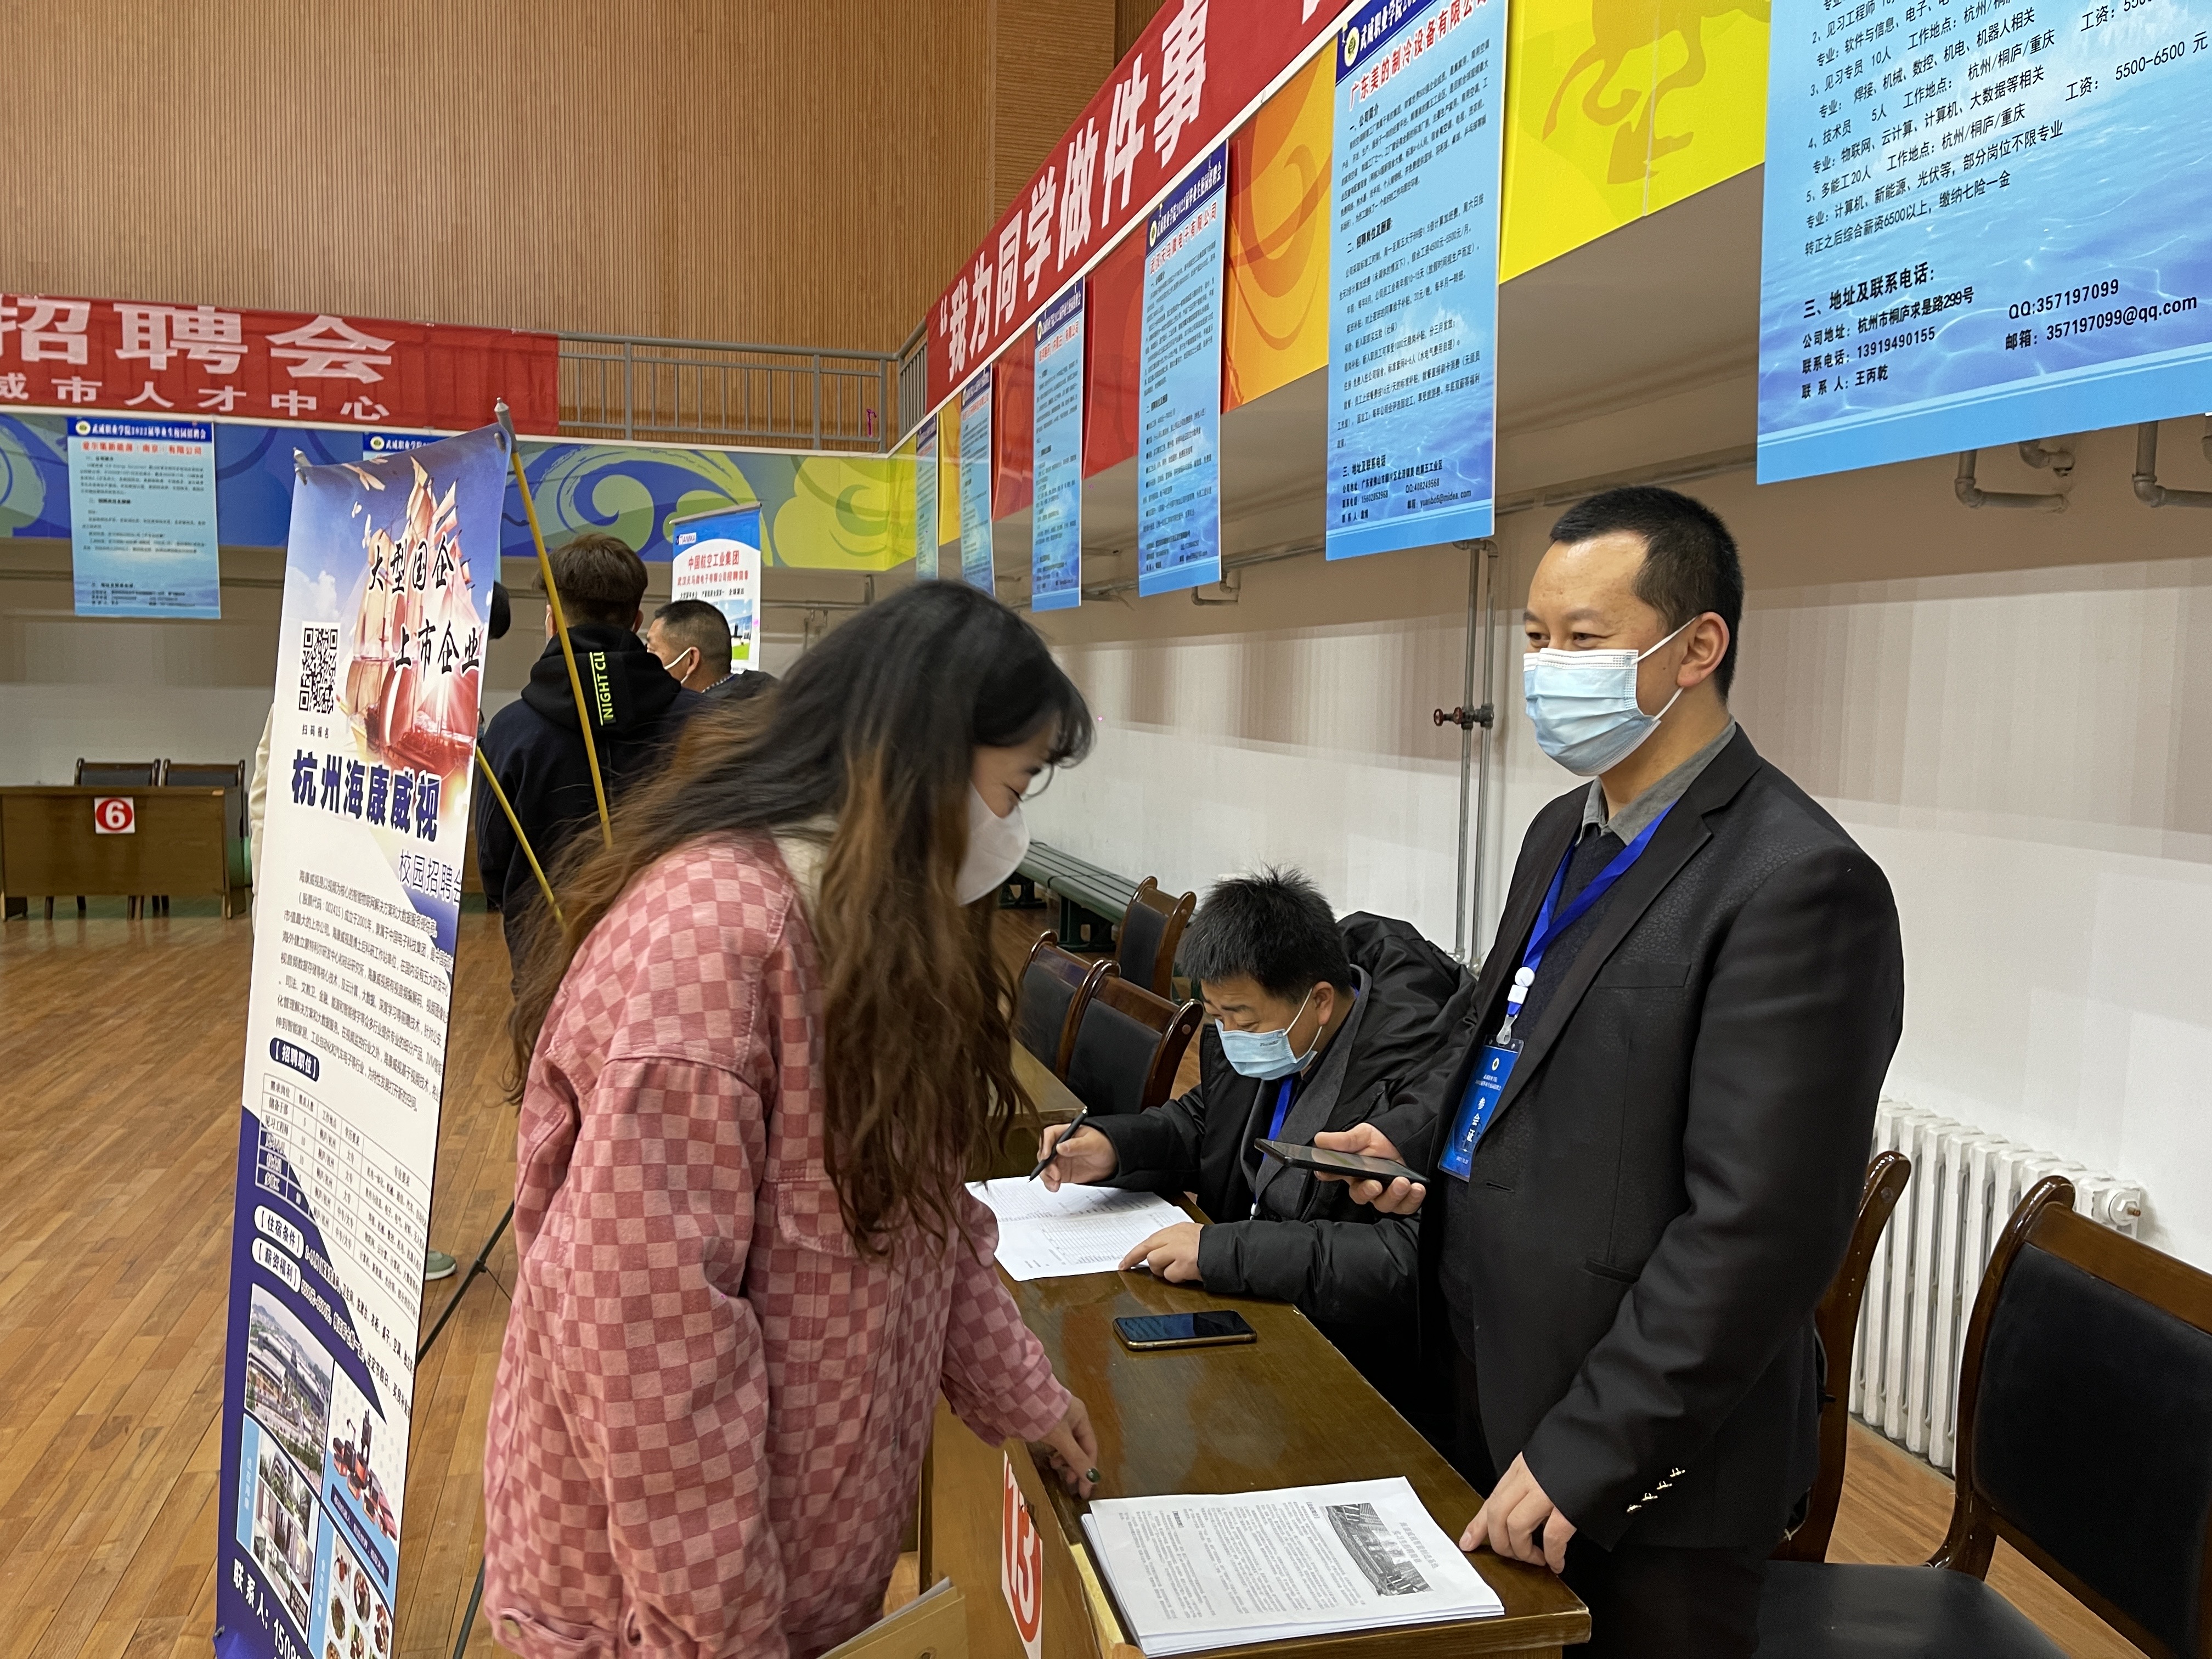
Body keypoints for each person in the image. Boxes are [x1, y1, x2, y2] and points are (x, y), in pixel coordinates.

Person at [1329, 487, 1904, 1657]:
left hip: (1644, 1456)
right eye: (1536, 637)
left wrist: (1588, 1445)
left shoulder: (1796, 883)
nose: (1548, 669)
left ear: (1697, 646)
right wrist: (1414, 1136)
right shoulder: (1561, 830)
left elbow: (1758, 1231)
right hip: (1491, 1364)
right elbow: (1495, 1033)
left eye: (1584, 639)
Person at [483, 582, 1101, 1659]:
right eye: (1009, 788)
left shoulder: (864, 927)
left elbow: (924, 1220)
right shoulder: (715, 941)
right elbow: (650, 1343)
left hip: (796, 1572)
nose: (1010, 831)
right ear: (917, 764)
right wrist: (723, 1635)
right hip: (667, 1612)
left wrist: (1025, 1396)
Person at [1037, 870, 1469, 1417]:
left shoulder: (1417, 1084)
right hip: (1250, 1317)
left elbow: (1402, 1259)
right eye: (1216, 1016)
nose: (1228, 1035)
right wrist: (1113, 1147)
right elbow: (1203, 1122)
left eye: (1240, 1019)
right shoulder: (1263, 1027)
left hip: (1349, 1364)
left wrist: (1225, 1252)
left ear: (1320, 1002)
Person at [476, 535, 699, 961]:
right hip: (670, 960)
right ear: (637, 620)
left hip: (548, 960)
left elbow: (493, 863)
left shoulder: (510, 732)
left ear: (552, 621)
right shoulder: (705, 724)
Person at [646, 597, 779, 702]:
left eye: (652, 651)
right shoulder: (775, 700)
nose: (646, 659)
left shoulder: (699, 723)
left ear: (691, 660)